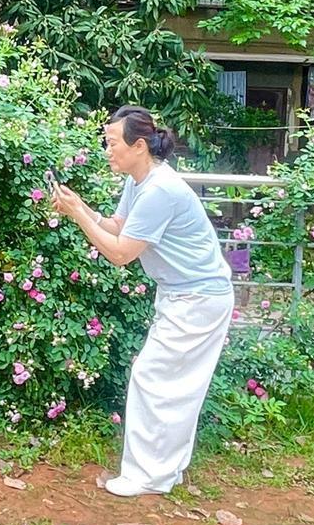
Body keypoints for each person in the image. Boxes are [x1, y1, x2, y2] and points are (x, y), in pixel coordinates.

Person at [50, 105, 234, 496]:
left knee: (153, 378)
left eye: (112, 143)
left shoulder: (159, 190)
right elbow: (117, 226)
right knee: (173, 385)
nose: (107, 151)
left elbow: (121, 253)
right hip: (186, 295)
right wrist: (80, 207)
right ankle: (163, 472)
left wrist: (78, 215)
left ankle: (148, 476)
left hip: (198, 298)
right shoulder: (140, 182)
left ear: (139, 146)